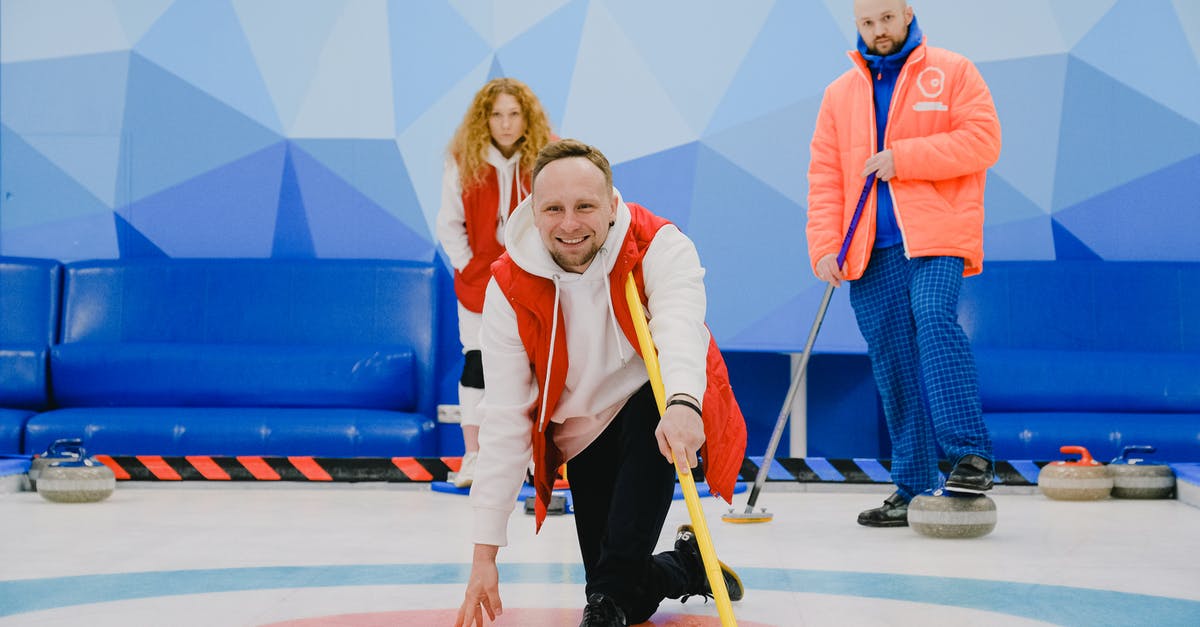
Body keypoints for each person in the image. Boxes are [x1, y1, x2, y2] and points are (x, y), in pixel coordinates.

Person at [454, 139, 747, 627]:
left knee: (609, 597)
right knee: (616, 593)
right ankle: (688, 566)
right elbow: (505, 418)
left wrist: (682, 403)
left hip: (652, 409)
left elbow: (679, 327)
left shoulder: (658, 243)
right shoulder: (508, 285)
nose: (570, 224)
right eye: (554, 209)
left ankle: (627, 585)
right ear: (532, 209)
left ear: (612, 207)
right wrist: (484, 554)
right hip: (582, 431)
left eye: (585, 206)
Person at [806, 0, 1002, 527]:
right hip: (869, 248)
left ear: (907, 12)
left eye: (887, 19)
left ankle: (970, 456)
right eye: (867, 23)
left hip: (936, 235)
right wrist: (825, 244)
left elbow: (984, 141)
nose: (879, 31)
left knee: (934, 319)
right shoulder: (840, 94)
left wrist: (905, 158)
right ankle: (912, 485)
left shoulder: (951, 70)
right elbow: (826, 174)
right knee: (892, 361)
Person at [437, 77, 554, 488]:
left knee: (536, 365)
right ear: (484, 119)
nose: (505, 124)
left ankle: (535, 459)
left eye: (514, 114)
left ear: (527, 117)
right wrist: (470, 267)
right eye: (497, 114)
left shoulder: (547, 156)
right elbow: (449, 225)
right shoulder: (462, 159)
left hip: (531, 277)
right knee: (478, 362)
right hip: (479, 282)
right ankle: (473, 457)